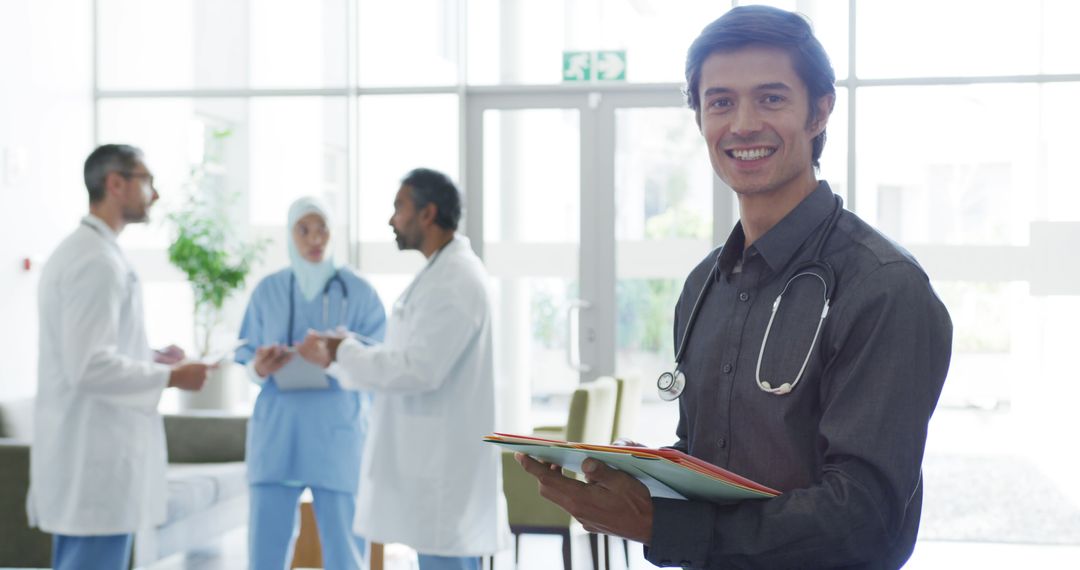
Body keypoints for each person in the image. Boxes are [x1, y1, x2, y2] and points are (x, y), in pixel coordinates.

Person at [514, 6, 953, 569]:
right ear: (698, 117)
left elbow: (864, 519)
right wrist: (641, 476)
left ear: (820, 111)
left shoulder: (882, 288)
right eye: (720, 101)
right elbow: (715, 466)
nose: (742, 123)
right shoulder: (706, 285)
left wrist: (662, 525)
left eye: (771, 98)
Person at [296, 168, 508, 570]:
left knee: (446, 557)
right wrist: (341, 354)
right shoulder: (441, 273)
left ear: (427, 214)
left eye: (399, 208)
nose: (392, 219)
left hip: (443, 473)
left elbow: (418, 369)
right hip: (433, 468)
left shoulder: (455, 280)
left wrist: (344, 351)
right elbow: (412, 358)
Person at [28, 144, 212, 570]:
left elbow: (91, 349)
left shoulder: (92, 252)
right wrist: (172, 378)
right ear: (115, 184)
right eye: (146, 180)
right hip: (95, 465)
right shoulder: (95, 262)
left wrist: (149, 357)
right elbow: (89, 366)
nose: (155, 194)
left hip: (93, 460)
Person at [234, 196, 386, 570]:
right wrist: (260, 367)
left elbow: (381, 362)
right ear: (290, 235)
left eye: (323, 230)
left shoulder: (360, 292)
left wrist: (335, 358)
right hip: (277, 432)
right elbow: (245, 356)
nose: (315, 239)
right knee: (264, 551)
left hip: (336, 433)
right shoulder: (267, 290)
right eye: (304, 230)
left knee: (345, 551)